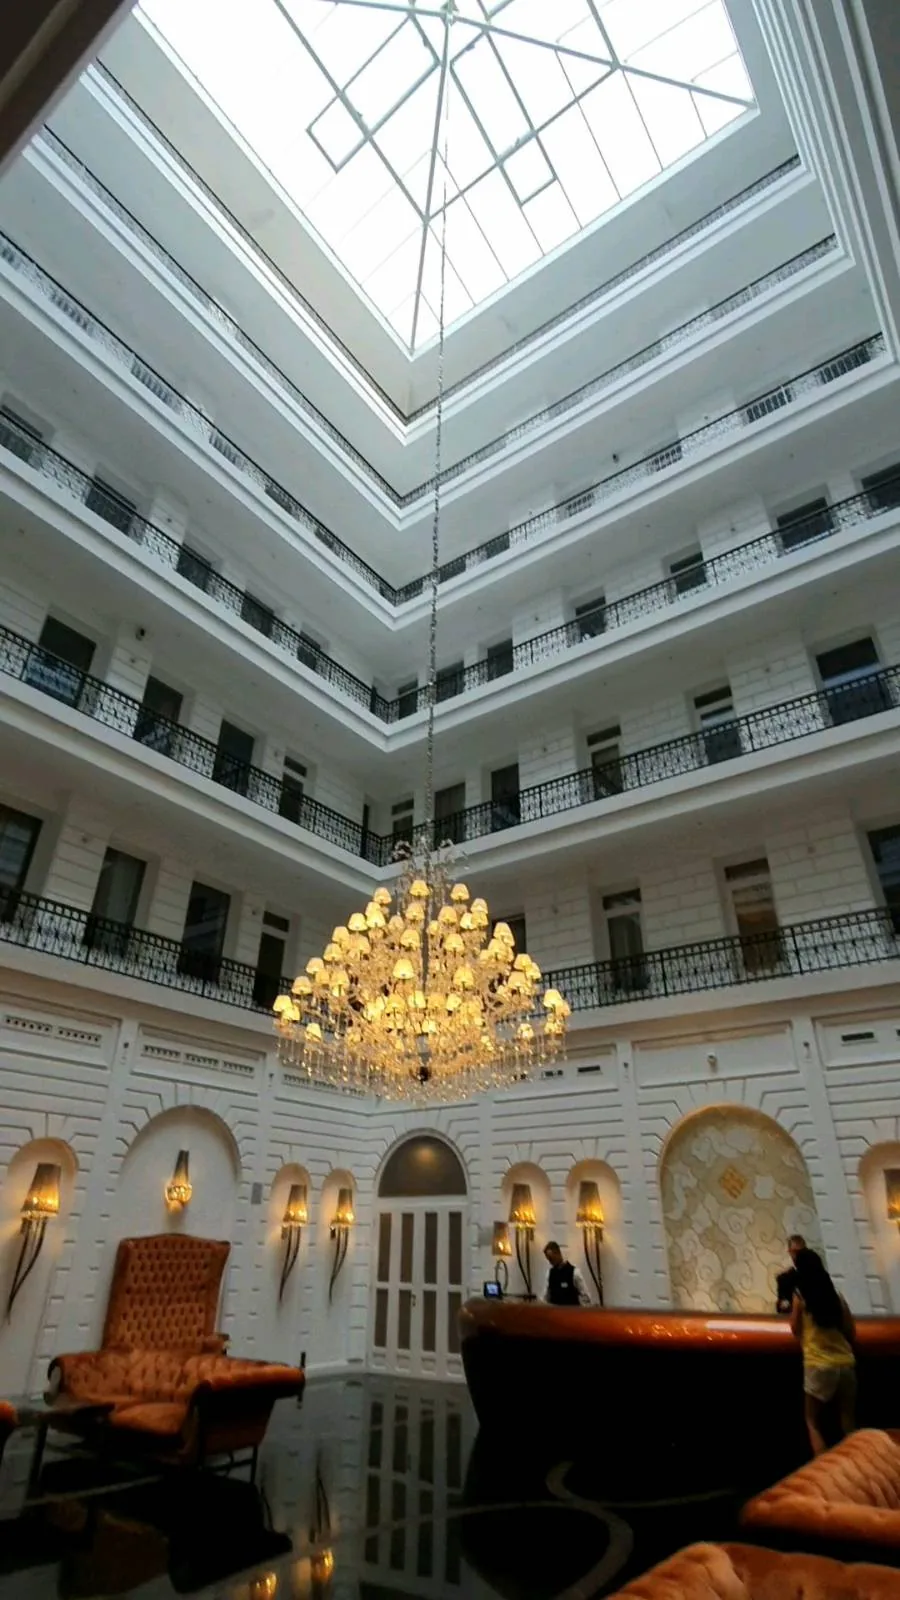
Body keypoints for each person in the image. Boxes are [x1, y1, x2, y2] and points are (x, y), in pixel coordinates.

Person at [790, 1247, 856, 1456]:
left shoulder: (800, 1296)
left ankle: (825, 1468)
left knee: (812, 1421)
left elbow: (794, 1328)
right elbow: (850, 1331)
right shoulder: (836, 1296)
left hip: (818, 1363)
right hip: (845, 1362)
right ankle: (857, 1462)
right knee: (848, 1420)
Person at [542, 1241, 591, 1306]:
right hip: (554, 1311)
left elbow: (586, 1297)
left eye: (551, 1259)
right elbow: (546, 1297)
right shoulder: (549, 1273)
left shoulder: (575, 1272)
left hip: (571, 1311)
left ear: (558, 1253)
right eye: (548, 1259)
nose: (550, 1262)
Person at [776, 1234, 807, 1313]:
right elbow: (781, 1308)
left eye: (801, 1251)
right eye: (795, 1252)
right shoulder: (784, 1279)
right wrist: (785, 1304)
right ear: (789, 1252)